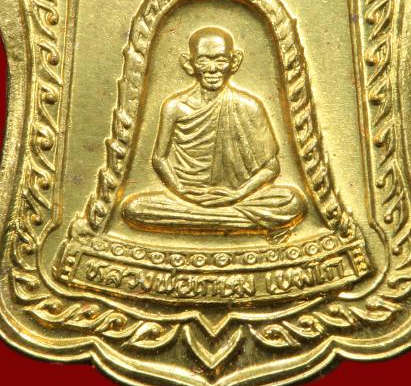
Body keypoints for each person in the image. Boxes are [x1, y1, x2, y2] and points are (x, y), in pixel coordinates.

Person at [121, 26, 306, 238]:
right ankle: (239, 221)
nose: (212, 69)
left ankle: (205, 220)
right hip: (186, 197)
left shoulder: (249, 106)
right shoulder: (174, 107)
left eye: (220, 60)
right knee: (134, 208)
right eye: (203, 61)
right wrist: (181, 190)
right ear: (189, 64)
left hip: (239, 197)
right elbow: (159, 159)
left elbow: (271, 167)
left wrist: (237, 194)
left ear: (234, 62)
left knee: (292, 202)